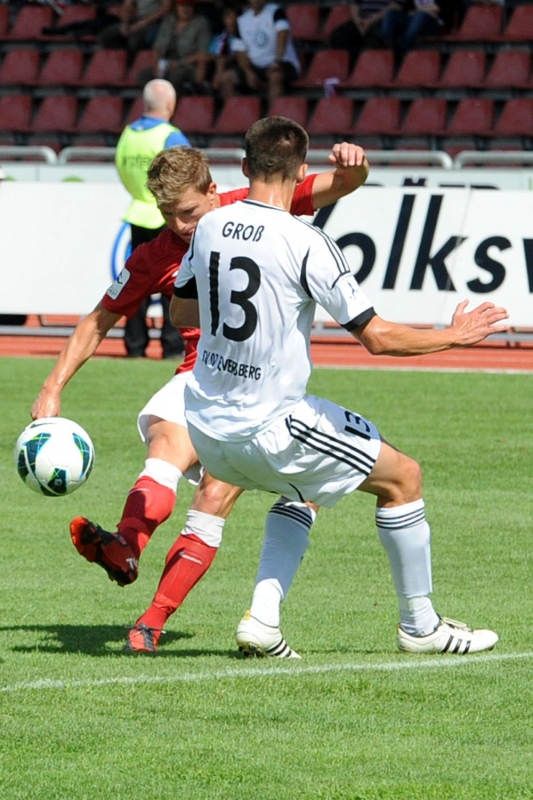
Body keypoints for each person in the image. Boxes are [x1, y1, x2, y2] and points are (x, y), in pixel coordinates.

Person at [171, 115, 509, 658]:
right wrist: (454, 335)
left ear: (245, 167)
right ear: (302, 170)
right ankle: (421, 626)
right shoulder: (308, 242)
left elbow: (181, 312)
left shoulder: (210, 225)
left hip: (207, 432)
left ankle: (263, 619)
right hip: (268, 426)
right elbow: (378, 338)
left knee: (305, 489)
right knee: (403, 477)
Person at [30, 142, 370, 654]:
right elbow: (98, 321)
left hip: (258, 387)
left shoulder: (253, 207)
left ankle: (151, 621)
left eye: (188, 212)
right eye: (167, 215)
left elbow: (339, 184)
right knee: (164, 448)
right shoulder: (155, 254)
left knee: (213, 493)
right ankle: (126, 547)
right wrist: (52, 387)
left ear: (213, 191)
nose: (180, 225)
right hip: (199, 374)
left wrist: (354, 165)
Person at [115, 78, 188, 359]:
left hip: (137, 211)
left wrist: (140, 194)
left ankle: (134, 345)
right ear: (170, 105)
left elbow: (121, 168)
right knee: (175, 280)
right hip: (165, 217)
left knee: (137, 281)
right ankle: (172, 345)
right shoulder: (170, 136)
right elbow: (187, 177)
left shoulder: (127, 134)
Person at [217, 0, 300, 103]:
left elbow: (283, 34)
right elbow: (240, 51)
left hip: (283, 62)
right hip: (256, 67)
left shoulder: (276, 12)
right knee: (226, 79)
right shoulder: (242, 20)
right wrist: (248, 72)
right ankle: (238, 111)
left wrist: (277, 61)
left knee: (275, 75)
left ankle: (273, 113)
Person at [138, 0, 213, 95]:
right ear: (176, 7)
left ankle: (177, 99)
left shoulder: (201, 23)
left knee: (175, 77)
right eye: (182, 6)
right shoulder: (169, 20)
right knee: (144, 76)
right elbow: (157, 47)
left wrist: (179, 63)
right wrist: (156, 67)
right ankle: (156, 102)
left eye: (188, 6)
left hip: (188, 65)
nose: (185, 9)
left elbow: (203, 54)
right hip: (166, 63)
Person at [328, 0, 405, 52]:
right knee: (337, 37)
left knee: (380, 37)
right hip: (361, 20)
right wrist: (358, 21)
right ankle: (360, 59)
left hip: (382, 20)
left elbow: (396, 6)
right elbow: (354, 3)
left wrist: (370, 21)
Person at [99, 0, 171, 51]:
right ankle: (119, 59)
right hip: (138, 19)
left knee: (134, 39)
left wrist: (142, 23)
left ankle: (132, 62)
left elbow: (166, 8)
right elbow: (127, 6)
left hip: (154, 22)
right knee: (107, 35)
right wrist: (125, 24)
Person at [381, 1, 445, 55]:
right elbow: (407, 11)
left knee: (421, 15)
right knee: (391, 13)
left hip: (434, 25)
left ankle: (402, 47)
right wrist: (426, 10)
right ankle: (387, 43)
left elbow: (437, 8)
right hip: (415, 23)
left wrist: (418, 11)